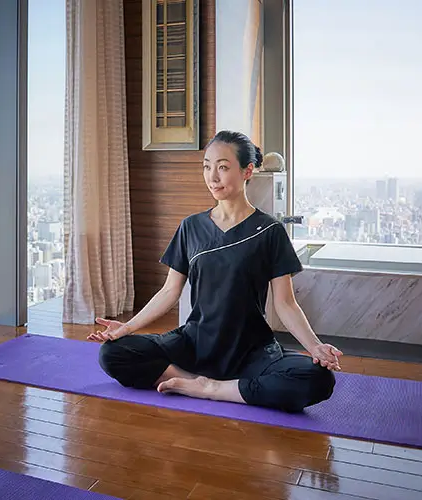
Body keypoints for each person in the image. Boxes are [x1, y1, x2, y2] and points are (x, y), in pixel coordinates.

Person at [90, 130, 341, 413]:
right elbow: (169, 291)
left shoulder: (270, 231)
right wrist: (127, 327)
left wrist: (315, 346)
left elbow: (285, 303)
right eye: (207, 167)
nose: (213, 176)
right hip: (195, 341)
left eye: (223, 167)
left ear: (247, 171)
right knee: (112, 353)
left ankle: (212, 388)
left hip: (251, 348)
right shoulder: (191, 227)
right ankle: (192, 381)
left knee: (318, 379)